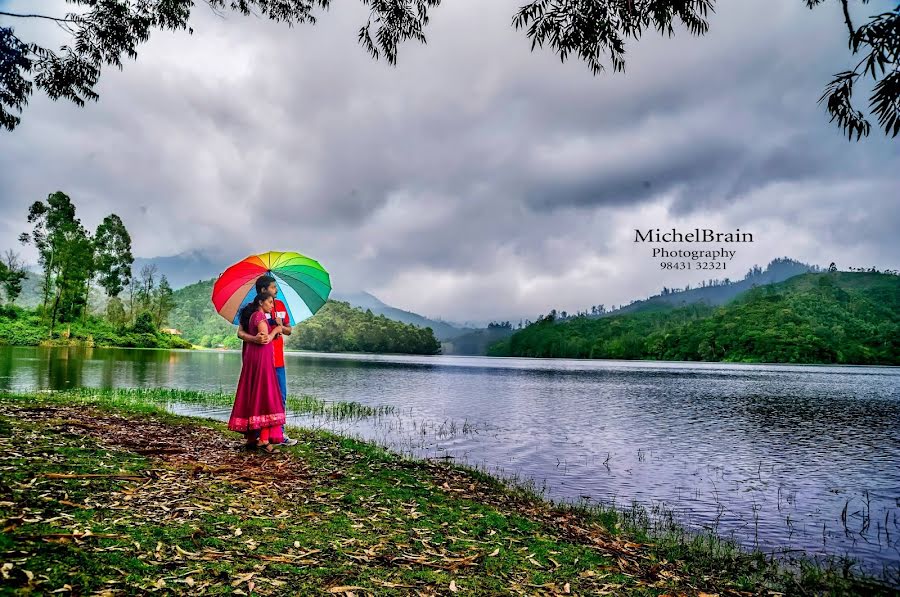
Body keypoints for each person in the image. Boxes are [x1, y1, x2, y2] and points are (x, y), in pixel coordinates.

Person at [237, 275, 298, 446]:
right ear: (263, 290)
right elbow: (240, 333)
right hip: (258, 359)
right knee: (256, 396)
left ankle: (279, 434)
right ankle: (256, 434)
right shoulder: (251, 309)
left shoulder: (280, 306)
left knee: (280, 396)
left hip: (277, 359)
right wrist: (254, 339)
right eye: (273, 287)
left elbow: (289, 330)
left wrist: (280, 326)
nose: (276, 291)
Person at [228, 293, 286, 453]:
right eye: (270, 302)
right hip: (262, 359)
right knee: (266, 395)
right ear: (261, 301)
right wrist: (276, 330)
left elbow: (243, 333)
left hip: (251, 357)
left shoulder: (250, 314)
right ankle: (264, 440)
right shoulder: (259, 316)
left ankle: (251, 438)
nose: (272, 305)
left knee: (254, 393)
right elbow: (265, 339)